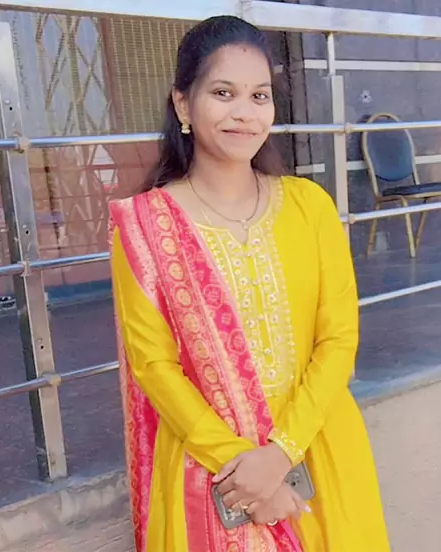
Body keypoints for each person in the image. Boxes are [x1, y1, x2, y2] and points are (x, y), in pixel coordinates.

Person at [109, 14, 390, 552]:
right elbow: (153, 366)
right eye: (223, 93)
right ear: (183, 105)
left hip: (317, 447)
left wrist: (280, 454)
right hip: (212, 472)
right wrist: (247, 475)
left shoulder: (309, 206)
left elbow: (338, 340)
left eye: (260, 96)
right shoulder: (145, 226)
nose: (245, 112)